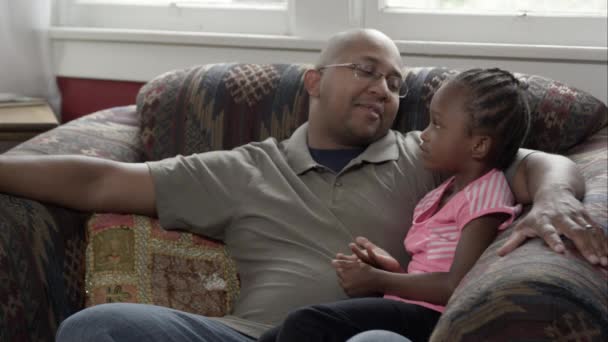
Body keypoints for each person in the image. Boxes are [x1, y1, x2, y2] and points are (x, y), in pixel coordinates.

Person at [0, 29, 604, 342]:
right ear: (314, 81)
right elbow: (101, 180)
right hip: (250, 337)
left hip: (368, 332)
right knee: (96, 328)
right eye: (365, 70)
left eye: (395, 83)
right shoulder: (241, 168)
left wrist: (553, 197)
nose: (383, 89)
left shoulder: (428, 156)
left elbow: (542, 160)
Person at [258, 67, 530, 342]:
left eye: (437, 125)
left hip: (438, 320)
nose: (423, 134)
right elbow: (429, 271)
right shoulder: (441, 194)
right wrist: (391, 271)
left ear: (479, 146)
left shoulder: (486, 194)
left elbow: (455, 285)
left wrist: (379, 281)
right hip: (413, 309)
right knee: (272, 337)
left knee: (307, 324)